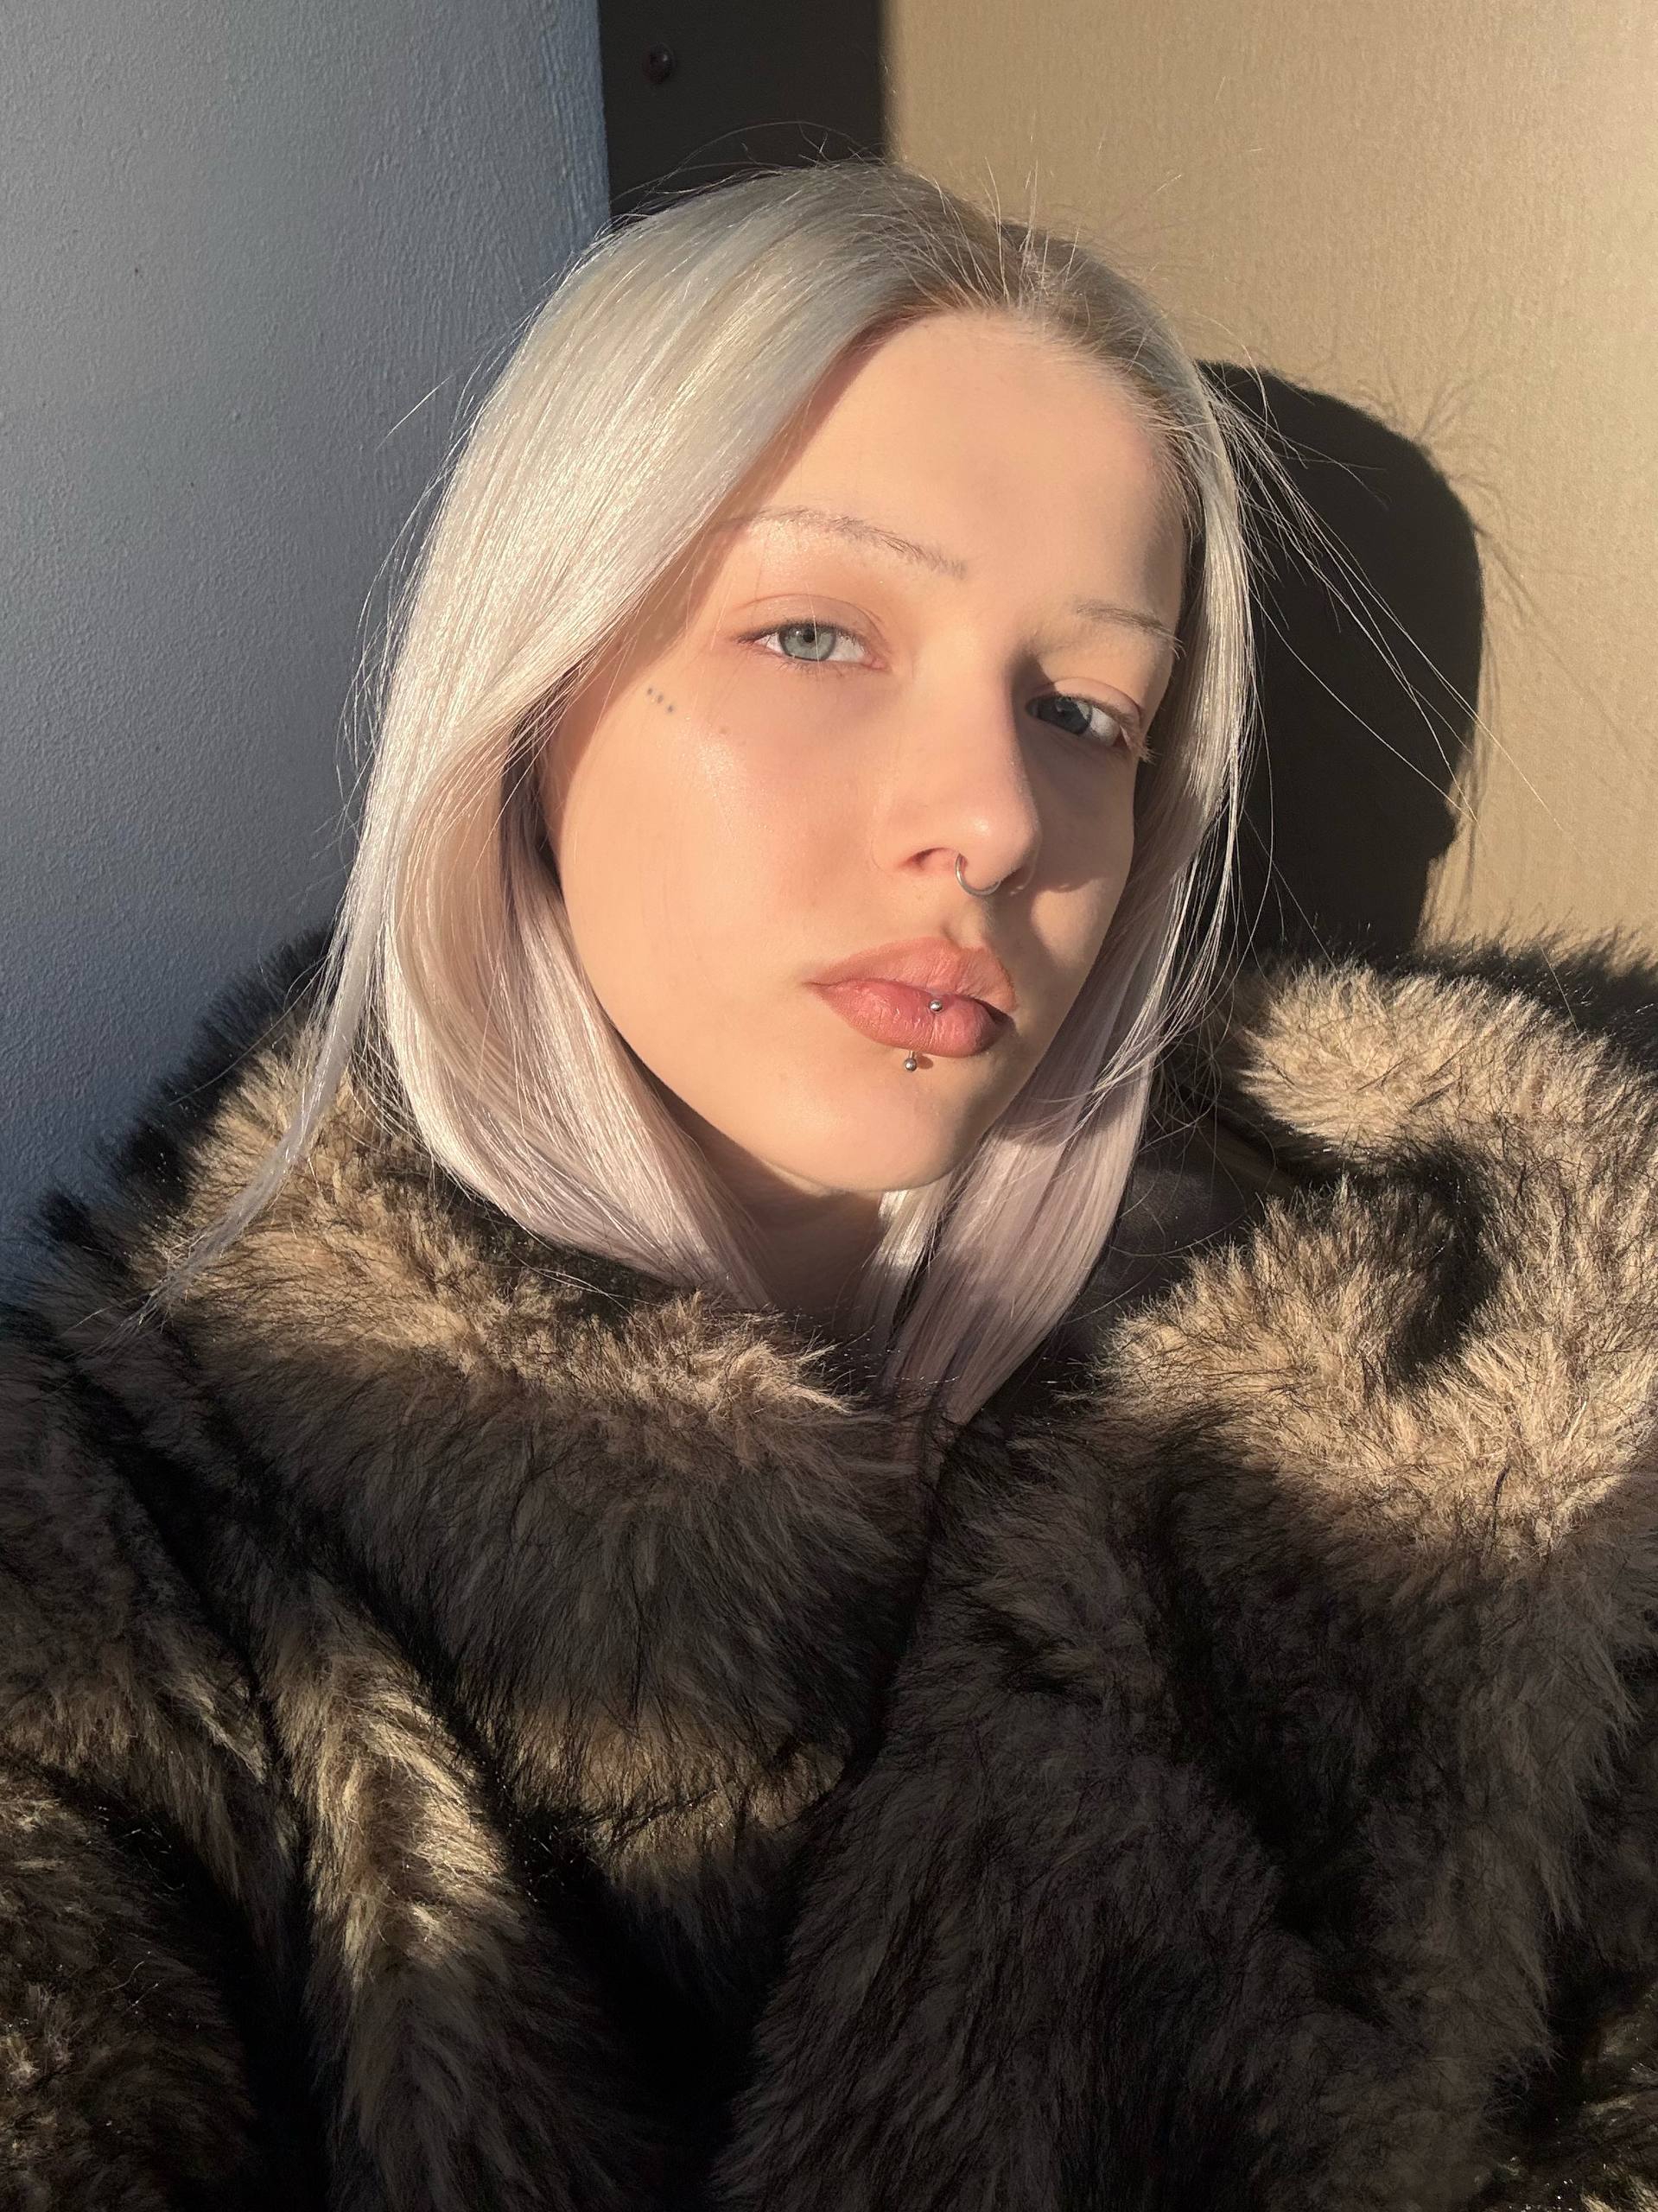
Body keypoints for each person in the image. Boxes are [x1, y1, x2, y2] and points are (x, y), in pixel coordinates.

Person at [2, 157, 1655, 2211]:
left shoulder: (1506, 1395)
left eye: (1087, 710)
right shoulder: (107, 1577)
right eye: (812, 631)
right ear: (533, 688)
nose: (995, 814)